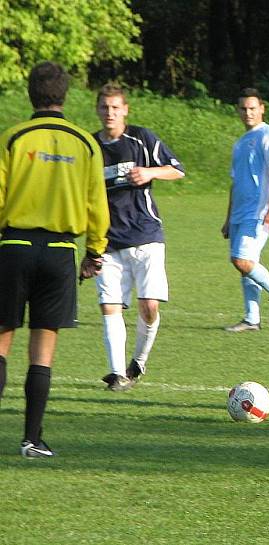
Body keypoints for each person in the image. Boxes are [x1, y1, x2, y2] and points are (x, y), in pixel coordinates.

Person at [0, 61, 110, 457]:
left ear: (31, 93)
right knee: (42, 349)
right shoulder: (85, 143)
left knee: (1, 343)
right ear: (64, 95)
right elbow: (97, 205)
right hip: (61, 252)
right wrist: (95, 251)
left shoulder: (13, 138)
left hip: (13, 247)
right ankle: (32, 439)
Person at [93, 83, 185, 391]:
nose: (110, 113)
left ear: (125, 110)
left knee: (149, 306)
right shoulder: (91, 147)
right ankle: (117, 373)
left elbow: (177, 169)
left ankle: (139, 362)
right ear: (98, 110)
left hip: (146, 235)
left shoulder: (141, 139)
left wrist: (150, 173)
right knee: (110, 306)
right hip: (107, 242)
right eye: (105, 107)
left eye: (115, 107)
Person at [222, 88, 269, 331]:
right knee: (247, 265)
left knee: (242, 260)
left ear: (262, 108)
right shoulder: (240, 142)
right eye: (243, 108)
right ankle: (252, 318)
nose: (248, 113)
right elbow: (235, 182)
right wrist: (228, 218)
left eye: (252, 108)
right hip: (240, 212)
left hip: (259, 211)